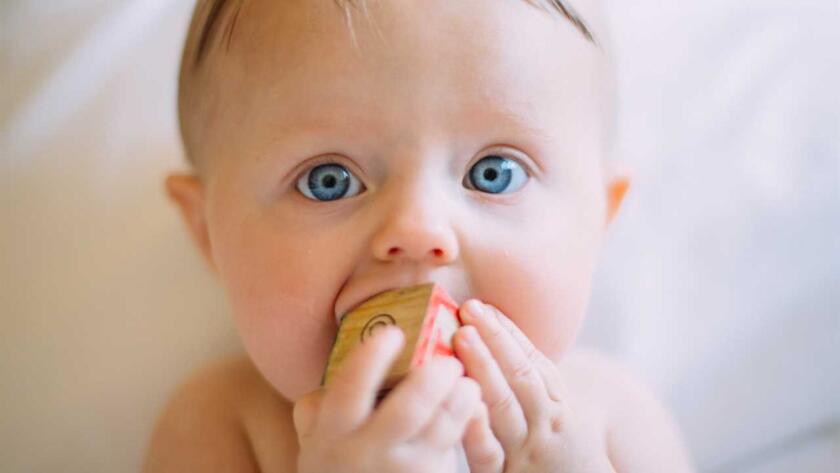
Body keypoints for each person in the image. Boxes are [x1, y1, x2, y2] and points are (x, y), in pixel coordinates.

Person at [144, 0, 694, 471]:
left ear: (599, 220)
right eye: (327, 181)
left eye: (493, 172)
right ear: (208, 232)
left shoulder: (613, 420)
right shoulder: (221, 425)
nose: (417, 230)